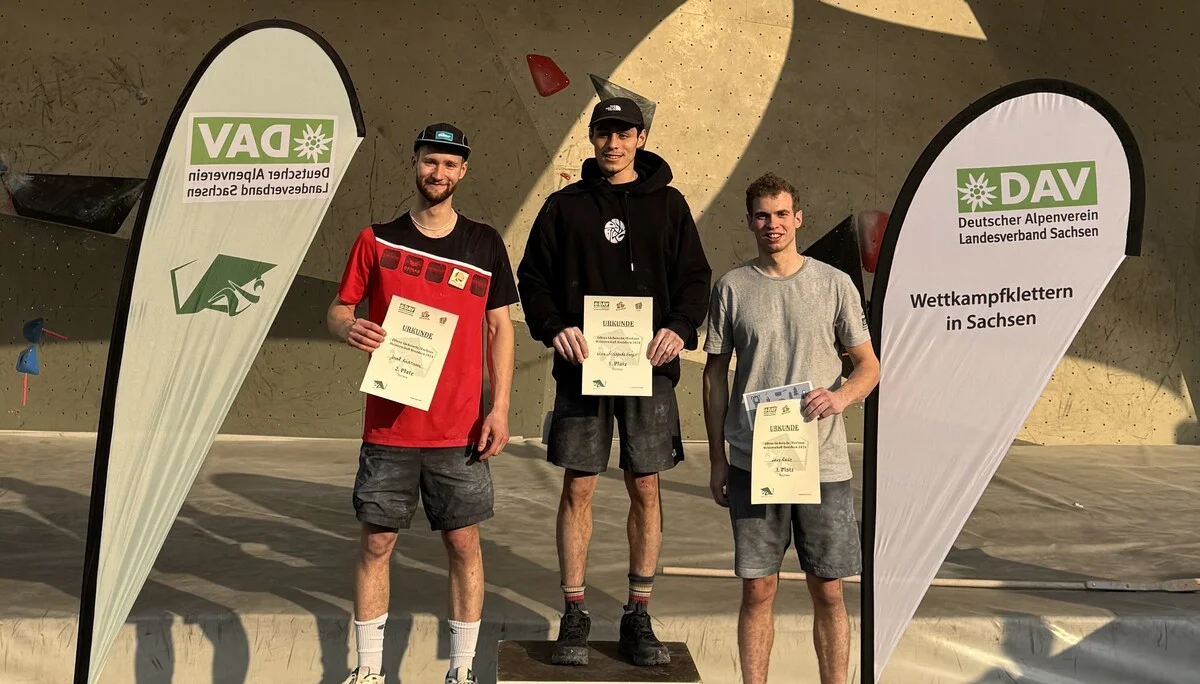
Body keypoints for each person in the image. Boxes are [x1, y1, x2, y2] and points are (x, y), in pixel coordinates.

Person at [516, 97, 712, 667]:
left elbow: (694, 279)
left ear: (641, 137)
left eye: (623, 133)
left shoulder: (670, 206)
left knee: (645, 486)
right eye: (603, 132)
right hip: (583, 370)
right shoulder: (564, 206)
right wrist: (554, 329)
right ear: (593, 137)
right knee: (579, 485)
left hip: (650, 371)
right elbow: (534, 280)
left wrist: (679, 328)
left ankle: (637, 612)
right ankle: (573, 610)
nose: (612, 143)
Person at [327, 123, 519, 684]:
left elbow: (499, 328)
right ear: (414, 163)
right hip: (389, 426)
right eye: (430, 162)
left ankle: (460, 671)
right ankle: (368, 670)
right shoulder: (377, 239)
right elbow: (339, 308)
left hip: (459, 429)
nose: (439, 173)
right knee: (378, 543)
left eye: (450, 164)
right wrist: (349, 329)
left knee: (463, 545)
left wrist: (500, 406)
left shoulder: (484, 243)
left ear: (464, 172)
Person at [700, 173, 880, 684]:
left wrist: (840, 395)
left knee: (828, 587)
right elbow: (714, 375)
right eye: (762, 215)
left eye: (781, 214)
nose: (772, 224)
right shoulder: (731, 288)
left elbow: (869, 365)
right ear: (750, 221)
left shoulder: (834, 284)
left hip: (822, 464)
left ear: (798, 218)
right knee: (758, 588)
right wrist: (717, 457)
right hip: (753, 463)